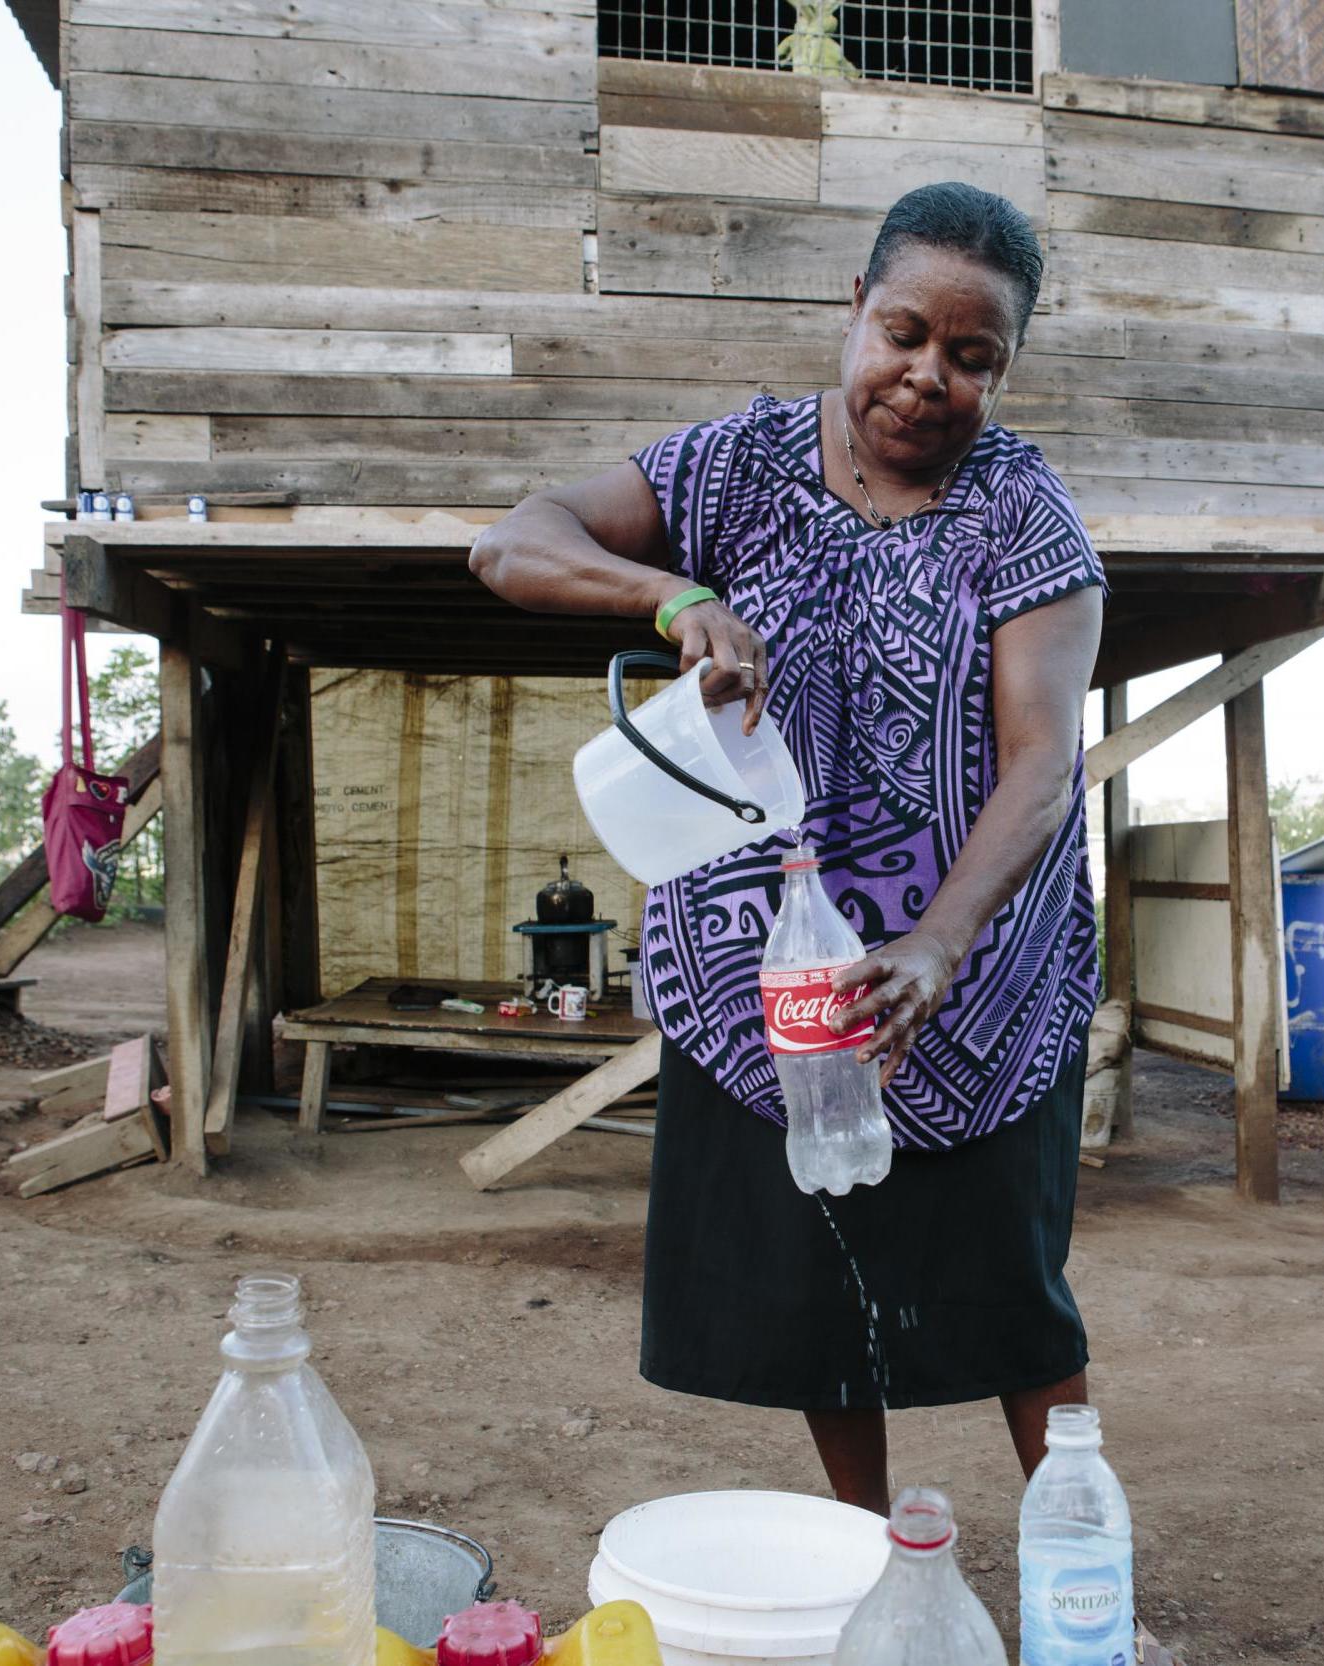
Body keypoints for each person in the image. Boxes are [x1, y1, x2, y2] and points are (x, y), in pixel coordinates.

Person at [469, 182, 1105, 1513]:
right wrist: (676, 595)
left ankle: (1080, 1583)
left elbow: (1044, 758)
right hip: (776, 976)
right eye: (901, 332)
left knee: (1013, 1296)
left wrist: (936, 944)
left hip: (973, 982)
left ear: (1003, 367)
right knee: (817, 1292)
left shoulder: (1021, 511)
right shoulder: (735, 468)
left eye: (969, 355)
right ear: (852, 313)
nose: (925, 376)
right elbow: (514, 540)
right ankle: (867, 1561)